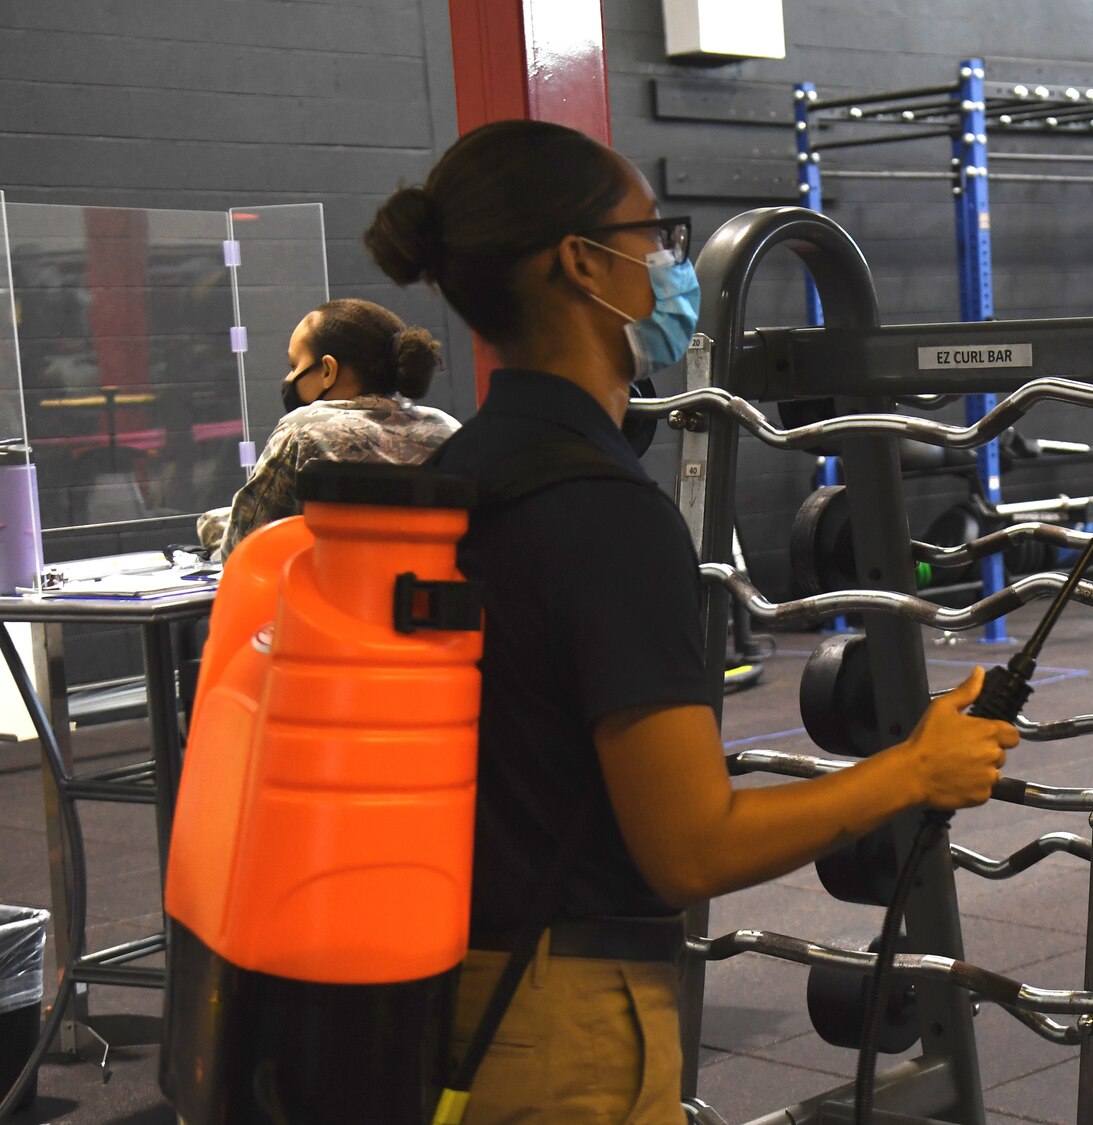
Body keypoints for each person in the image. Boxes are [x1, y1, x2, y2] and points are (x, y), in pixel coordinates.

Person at [364, 119, 1016, 1124]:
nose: (668, 264)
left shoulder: (466, 474)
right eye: (653, 236)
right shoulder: (600, 515)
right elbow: (691, 849)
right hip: (560, 1024)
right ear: (584, 265)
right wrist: (913, 770)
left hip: (447, 986)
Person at [199, 299, 458, 558]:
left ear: (327, 370)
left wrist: (212, 527)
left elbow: (242, 549)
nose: (290, 379)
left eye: (294, 366)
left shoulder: (303, 431)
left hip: (340, 595)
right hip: (431, 593)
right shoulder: (447, 430)